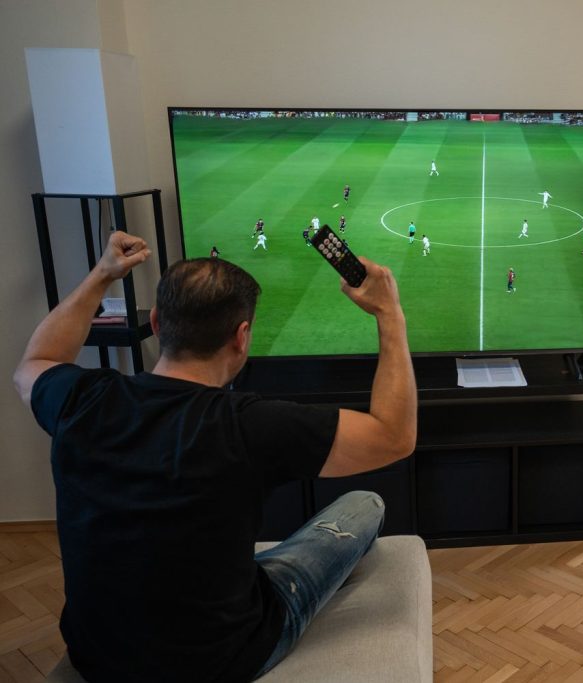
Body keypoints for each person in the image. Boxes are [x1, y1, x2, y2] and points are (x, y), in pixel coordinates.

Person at [12, 231, 416, 682]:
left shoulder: (83, 399)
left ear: (158, 323)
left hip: (97, 657)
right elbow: (394, 436)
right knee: (366, 504)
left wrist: (102, 275)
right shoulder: (251, 425)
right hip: (219, 659)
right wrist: (389, 314)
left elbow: (36, 361)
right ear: (241, 337)